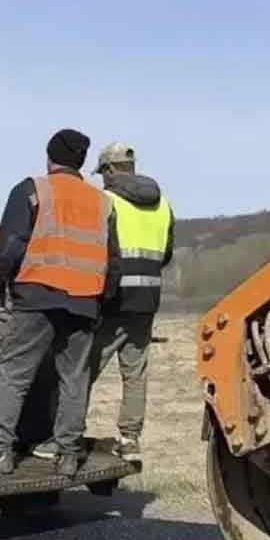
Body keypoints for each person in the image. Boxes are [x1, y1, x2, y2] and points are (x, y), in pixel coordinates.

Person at [0, 129, 119, 477]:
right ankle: (68, 454)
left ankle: (1, 450)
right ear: (82, 162)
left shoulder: (32, 190)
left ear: (49, 157)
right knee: (74, 378)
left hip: (36, 295)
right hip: (85, 300)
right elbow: (114, 260)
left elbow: (11, 246)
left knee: (14, 372)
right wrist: (103, 301)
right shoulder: (103, 202)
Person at [88, 141, 173, 462]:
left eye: (103, 173)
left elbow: (97, 249)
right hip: (148, 298)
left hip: (113, 299)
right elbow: (165, 253)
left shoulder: (104, 201)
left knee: (85, 368)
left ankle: (67, 433)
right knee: (135, 373)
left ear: (110, 170)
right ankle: (130, 439)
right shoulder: (163, 203)